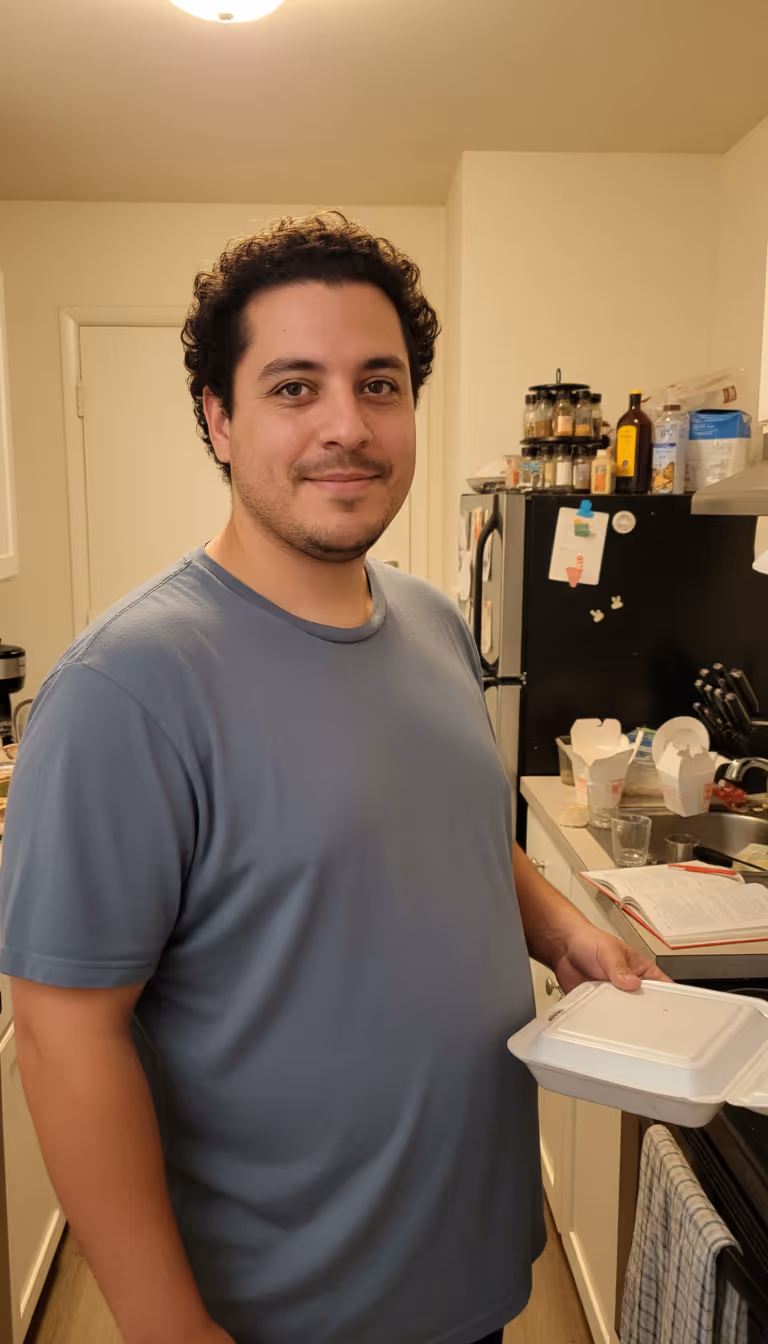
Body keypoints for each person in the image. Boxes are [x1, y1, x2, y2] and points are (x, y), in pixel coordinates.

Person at [0, 212, 665, 1344]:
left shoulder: (433, 621)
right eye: (294, 388)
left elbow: (453, 827)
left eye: (379, 385)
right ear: (219, 419)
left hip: (471, 1261)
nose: (347, 426)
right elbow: (65, 1036)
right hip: (286, 1307)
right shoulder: (127, 687)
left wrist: (561, 930)